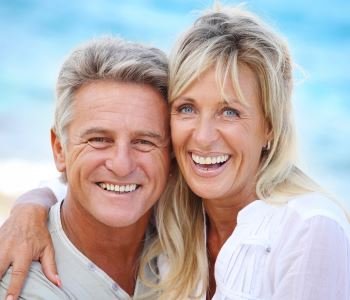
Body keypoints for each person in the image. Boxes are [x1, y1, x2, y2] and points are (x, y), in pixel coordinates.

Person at [1, 4, 350, 300]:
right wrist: (30, 207)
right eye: (187, 108)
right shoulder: (176, 214)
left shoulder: (308, 231)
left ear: (270, 126)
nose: (203, 136)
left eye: (230, 111)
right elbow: (97, 187)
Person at [0, 36, 176, 299]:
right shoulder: (17, 280)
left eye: (144, 141)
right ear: (60, 149)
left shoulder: (190, 245)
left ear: (171, 155)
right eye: (99, 140)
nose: (121, 165)